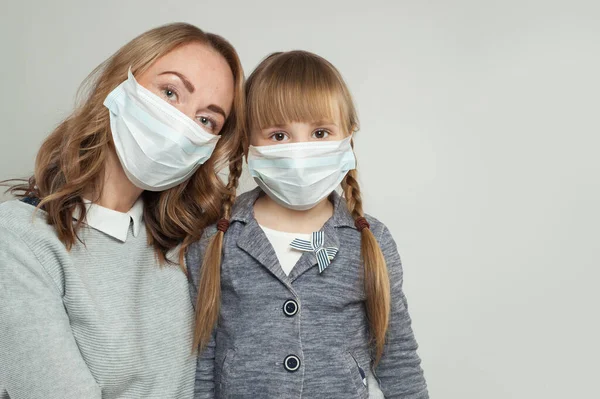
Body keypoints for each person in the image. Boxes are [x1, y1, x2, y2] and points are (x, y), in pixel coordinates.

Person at [0, 22, 245, 399]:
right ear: (118, 84)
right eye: (170, 92)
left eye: (205, 120)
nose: (182, 125)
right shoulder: (20, 239)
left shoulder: (192, 246)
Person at [187, 50, 428, 398]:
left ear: (348, 137)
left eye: (319, 132)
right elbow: (202, 359)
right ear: (246, 143)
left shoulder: (370, 240)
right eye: (279, 136)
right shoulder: (217, 239)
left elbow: (397, 357)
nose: (300, 150)